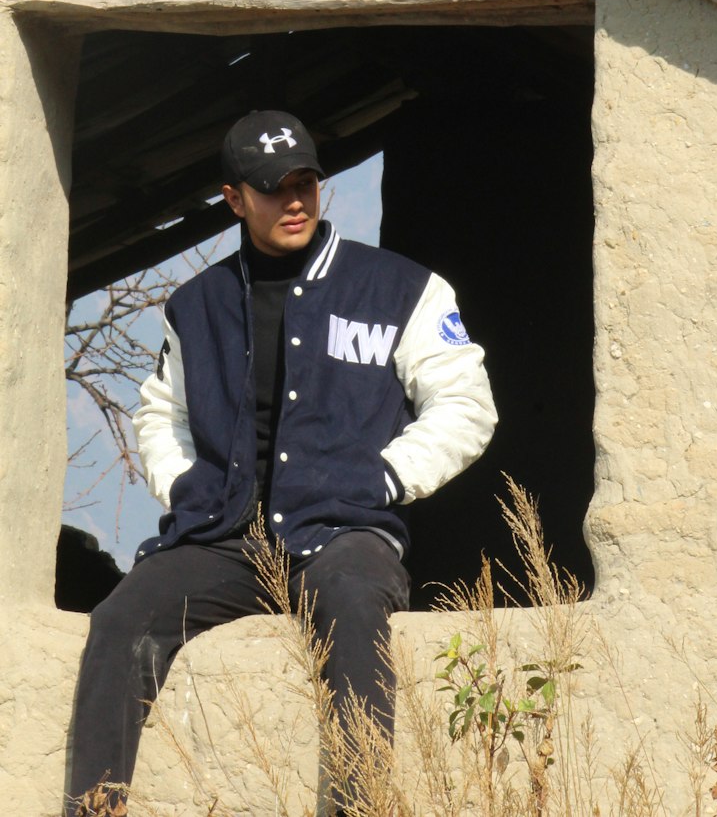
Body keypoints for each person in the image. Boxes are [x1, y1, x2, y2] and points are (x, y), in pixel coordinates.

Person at [65, 110, 497, 816]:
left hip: (345, 533)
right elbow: (159, 413)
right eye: (272, 188)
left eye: (305, 183)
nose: (294, 201)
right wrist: (181, 484)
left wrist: (386, 479)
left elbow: (465, 405)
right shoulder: (194, 306)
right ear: (234, 199)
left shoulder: (400, 290)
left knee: (357, 607)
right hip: (224, 537)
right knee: (120, 620)